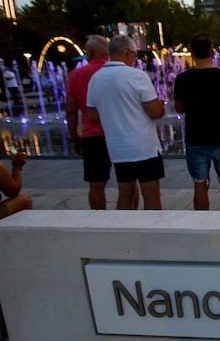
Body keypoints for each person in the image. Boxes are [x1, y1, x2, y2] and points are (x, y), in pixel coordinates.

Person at [86, 35, 165, 210]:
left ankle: (125, 229)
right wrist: (161, 106)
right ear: (128, 53)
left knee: (125, 192)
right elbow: (155, 111)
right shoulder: (136, 76)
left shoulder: (96, 79)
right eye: (135, 55)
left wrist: (113, 114)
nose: (135, 59)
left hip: (117, 146)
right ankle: (154, 229)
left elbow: (92, 115)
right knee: (150, 192)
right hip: (144, 146)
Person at [173, 33, 220, 210]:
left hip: (195, 139)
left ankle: (202, 223)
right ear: (213, 53)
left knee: (200, 184)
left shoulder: (183, 79)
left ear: (192, 54)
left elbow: (179, 109)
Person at [66, 35, 111, 210]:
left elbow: (71, 111)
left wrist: (73, 138)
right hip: (120, 133)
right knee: (128, 182)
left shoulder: (76, 75)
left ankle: (99, 221)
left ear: (90, 52)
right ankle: (127, 221)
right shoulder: (118, 71)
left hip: (93, 136)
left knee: (96, 185)